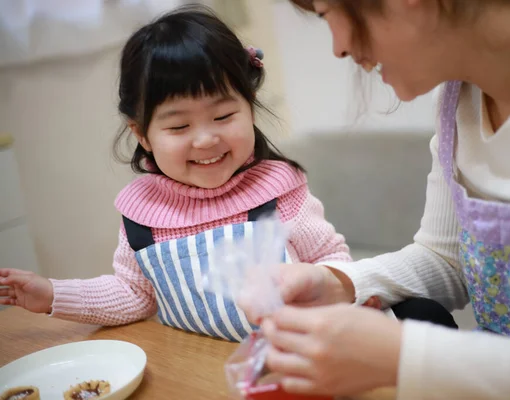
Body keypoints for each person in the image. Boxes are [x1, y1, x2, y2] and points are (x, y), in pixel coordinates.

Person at [239, 0, 510, 398]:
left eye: (328, 13)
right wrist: (334, 282)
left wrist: (401, 354)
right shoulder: (457, 96)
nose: (338, 47)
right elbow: (446, 259)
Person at [0, 6, 354, 343]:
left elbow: (334, 263)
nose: (205, 139)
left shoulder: (276, 191)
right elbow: (134, 295)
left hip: (289, 360)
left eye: (223, 116)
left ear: (251, 108)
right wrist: (51, 294)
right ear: (142, 134)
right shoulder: (143, 214)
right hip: (192, 368)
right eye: (180, 125)